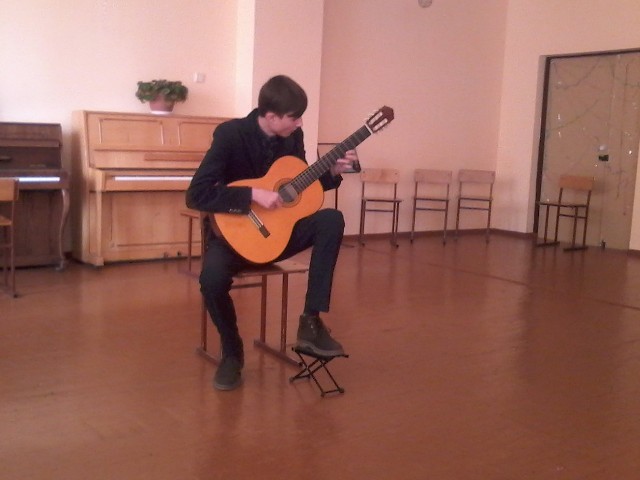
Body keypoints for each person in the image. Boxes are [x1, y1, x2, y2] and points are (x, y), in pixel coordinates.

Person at [186, 75, 358, 391]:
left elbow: (299, 187)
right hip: (234, 237)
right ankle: (232, 352)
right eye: (294, 117)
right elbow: (196, 195)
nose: (300, 122)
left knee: (331, 219)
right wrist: (252, 194)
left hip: (280, 233)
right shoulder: (230, 135)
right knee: (211, 281)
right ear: (270, 116)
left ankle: (310, 321)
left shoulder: (292, 136)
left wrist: (332, 173)